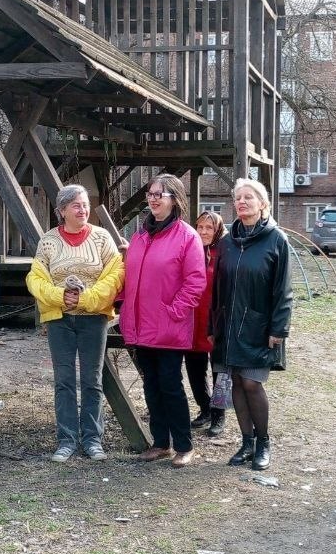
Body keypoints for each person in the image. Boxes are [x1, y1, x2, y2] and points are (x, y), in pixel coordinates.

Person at [27, 184, 125, 463]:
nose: (82, 210)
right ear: (62, 211)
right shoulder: (47, 241)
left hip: (93, 319)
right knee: (65, 380)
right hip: (60, 320)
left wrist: (87, 299)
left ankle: (93, 440)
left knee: (92, 380)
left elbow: (116, 273)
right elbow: (35, 278)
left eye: (84, 205)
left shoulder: (102, 238)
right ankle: (66, 440)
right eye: (76, 206)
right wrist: (60, 297)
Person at [120, 173, 206, 467]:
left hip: (168, 326)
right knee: (151, 385)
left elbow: (195, 282)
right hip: (142, 326)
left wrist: (174, 312)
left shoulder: (187, 236)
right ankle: (160, 443)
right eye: (151, 194)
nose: (153, 199)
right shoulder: (140, 236)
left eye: (160, 194)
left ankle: (184, 445)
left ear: (175, 199)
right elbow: (130, 277)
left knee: (170, 385)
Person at [210, 179, 293, 471]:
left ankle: (263, 442)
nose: (242, 202)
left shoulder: (276, 240)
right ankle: (245, 443)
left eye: (249, 197)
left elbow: (283, 291)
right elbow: (216, 288)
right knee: (233, 381)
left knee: (251, 382)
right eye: (238, 198)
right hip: (228, 326)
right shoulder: (227, 243)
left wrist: (278, 329)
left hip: (259, 326)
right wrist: (212, 325)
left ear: (263, 203)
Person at [186, 209, 227, 438]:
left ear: (217, 230)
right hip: (193, 320)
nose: (203, 231)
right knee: (194, 369)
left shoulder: (224, 252)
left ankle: (219, 414)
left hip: (216, 320)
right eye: (200, 227)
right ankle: (205, 408)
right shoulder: (190, 250)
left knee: (219, 371)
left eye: (209, 227)